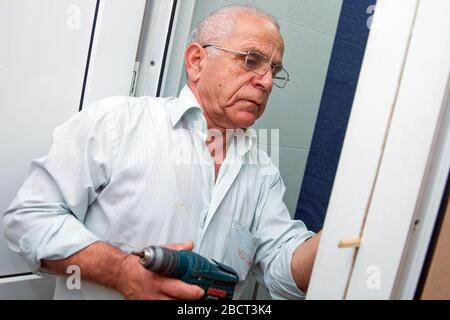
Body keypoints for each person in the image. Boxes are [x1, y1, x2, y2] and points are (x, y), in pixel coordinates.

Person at [3, 4, 321, 300]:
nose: (265, 81)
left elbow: (282, 270)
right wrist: (122, 273)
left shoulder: (262, 172)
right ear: (197, 61)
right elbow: (29, 220)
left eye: (274, 70)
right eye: (251, 60)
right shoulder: (117, 124)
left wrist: (341, 233)